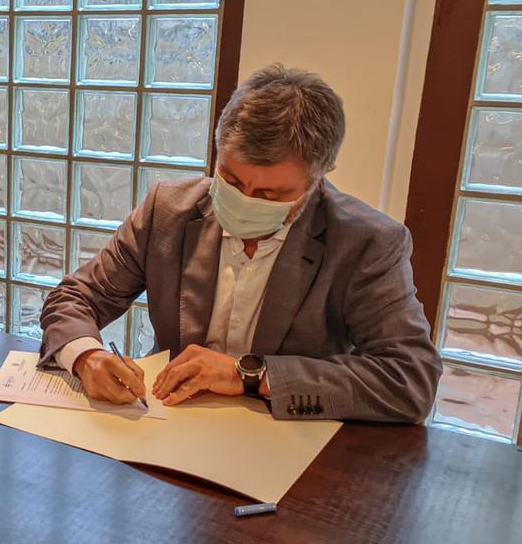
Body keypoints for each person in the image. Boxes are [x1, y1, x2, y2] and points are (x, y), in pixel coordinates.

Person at [38, 64, 441, 423]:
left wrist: (249, 374)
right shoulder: (169, 211)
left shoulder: (366, 242)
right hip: (171, 431)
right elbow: (76, 297)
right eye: (230, 181)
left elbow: (410, 379)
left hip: (289, 454)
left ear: (319, 176)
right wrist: (87, 357)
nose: (245, 200)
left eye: (270, 195)